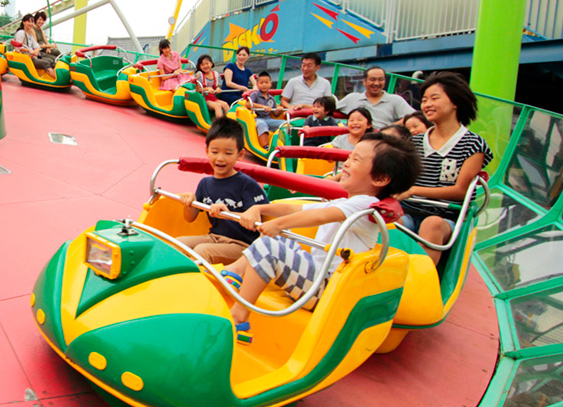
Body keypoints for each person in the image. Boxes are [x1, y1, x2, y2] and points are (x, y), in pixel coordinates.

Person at [222, 132, 419, 329]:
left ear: (380, 178)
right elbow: (298, 208)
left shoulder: (367, 205)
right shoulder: (348, 202)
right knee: (281, 241)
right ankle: (235, 272)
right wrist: (260, 208)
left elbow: (318, 217)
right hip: (316, 277)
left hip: (325, 289)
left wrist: (279, 224)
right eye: (350, 156)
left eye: (356, 159)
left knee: (269, 246)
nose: (347, 163)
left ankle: (239, 317)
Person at [395, 72, 493, 265]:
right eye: (424, 100)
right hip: (409, 211)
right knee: (387, 221)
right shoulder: (414, 142)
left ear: (454, 101)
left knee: (432, 225)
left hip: (444, 216)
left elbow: (461, 191)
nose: (427, 104)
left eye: (434, 98)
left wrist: (414, 190)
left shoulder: (472, 144)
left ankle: (423, 283)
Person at [177, 118, 268, 265]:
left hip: (243, 246)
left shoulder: (246, 184)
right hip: (214, 237)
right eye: (215, 151)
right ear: (207, 151)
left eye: (228, 153)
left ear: (240, 154)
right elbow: (189, 218)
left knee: (202, 251)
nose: (220, 158)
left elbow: (258, 222)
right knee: (178, 244)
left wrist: (228, 214)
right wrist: (189, 202)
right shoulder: (205, 184)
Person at [336, 66, 416, 129]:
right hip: (357, 140)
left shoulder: (395, 100)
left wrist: (390, 127)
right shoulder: (352, 98)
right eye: (372, 80)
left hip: (382, 141)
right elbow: (329, 109)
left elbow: (414, 116)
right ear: (364, 82)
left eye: (381, 80)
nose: (377, 83)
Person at [250, 71, 288, 148]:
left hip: (269, 119)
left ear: (270, 84)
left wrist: (279, 109)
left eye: (266, 82)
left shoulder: (272, 98)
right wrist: (263, 107)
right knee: (262, 124)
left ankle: (285, 144)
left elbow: (275, 114)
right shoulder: (255, 95)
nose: (264, 85)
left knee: (285, 123)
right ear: (257, 84)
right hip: (257, 118)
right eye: (261, 83)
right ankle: (266, 146)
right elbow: (248, 104)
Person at [13, 14, 55, 78]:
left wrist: (36, 50)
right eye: (28, 21)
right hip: (26, 58)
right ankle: (54, 78)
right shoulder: (21, 33)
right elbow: (18, 48)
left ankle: (51, 77)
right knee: (45, 63)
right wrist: (30, 50)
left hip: (32, 57)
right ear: (24, 22)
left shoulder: (29, 34)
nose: (30, 24)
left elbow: (36, 45)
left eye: (32, 22)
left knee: (51, 60)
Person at [193, 54, 232, 119]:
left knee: (225, 104)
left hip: (213, 98)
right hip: (204, 99)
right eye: (202, 65)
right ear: (199, 66)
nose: (205, 66)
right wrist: (207, 89)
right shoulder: (200, 75)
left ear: (211, 63)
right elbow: (198, 89)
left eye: (207, 63)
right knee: (217, 106)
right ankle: (219, 125)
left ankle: (229, 123)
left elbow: (216, 86)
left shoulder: (215, 74)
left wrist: (218, 89)